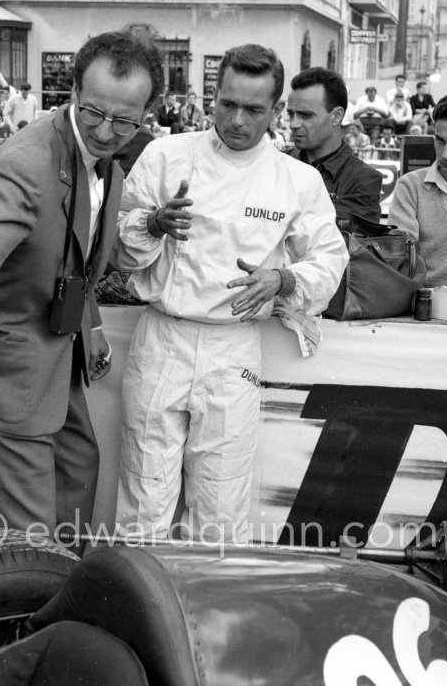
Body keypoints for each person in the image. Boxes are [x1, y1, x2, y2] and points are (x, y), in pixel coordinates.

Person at [0, 30, 164, 543]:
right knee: (25, 538)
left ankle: (57, 602)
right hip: (8, 370)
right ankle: (22, 616)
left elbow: (72, 253)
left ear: (148, 110)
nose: (106, 132)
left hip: (58, 360)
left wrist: (91, 320)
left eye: (125, 119)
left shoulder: (110, 160)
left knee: (79, 476)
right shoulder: (29, 163)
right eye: (93, 112)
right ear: (72, 94)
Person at [110, 43, 348, 544]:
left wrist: (283, 279)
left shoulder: (297, 181)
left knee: (220, 504)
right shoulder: (166, 154)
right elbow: (121, 249)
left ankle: (211, 617)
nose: (237, 120)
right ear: (211, 97)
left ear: (277, 111)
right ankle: (132, 614)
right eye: (227, 104)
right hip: (163, 338)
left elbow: (330, 259)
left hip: (233, 347)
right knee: (143, 497)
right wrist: (152, 224)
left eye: (254, 109)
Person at [388, 92, 447, 289]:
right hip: (421, 310)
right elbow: (400, 261)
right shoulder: (409, 186)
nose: (446, 154)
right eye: (439, 140)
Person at [288, 67, 383, 222]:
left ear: (336, 116)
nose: (294, 124)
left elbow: (335, 239)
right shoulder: (275, 164)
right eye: (290, 114)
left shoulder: (364, 180)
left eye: (305, 115)